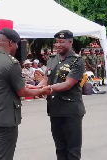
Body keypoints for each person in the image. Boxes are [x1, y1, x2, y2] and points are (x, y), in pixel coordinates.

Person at [0, 27, 52, 160]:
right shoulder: (11, 63)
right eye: (16, 44)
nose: (16, 47)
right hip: (6, 119)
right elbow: (22, 92)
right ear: (10, 43)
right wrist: (42, 90)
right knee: (3, 157)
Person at [37, 30, 86, 160]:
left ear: (70, 42)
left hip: (71, 111)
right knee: (60, 148)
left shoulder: (77, 61)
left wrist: (46, 89)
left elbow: (68, 84)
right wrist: (35, 88)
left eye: (62, 42)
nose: (58, 45)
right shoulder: (53, 59)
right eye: (57, 42)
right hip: (54, 109)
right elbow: (46, 79)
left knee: (73, 150)